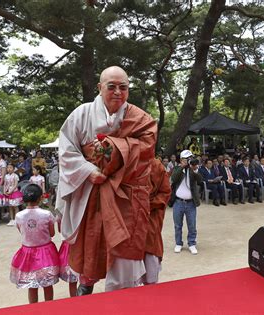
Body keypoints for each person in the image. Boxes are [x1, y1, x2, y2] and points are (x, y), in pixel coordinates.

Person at [56, 66, 157, 295]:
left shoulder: (141, 118)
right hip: (91, 191)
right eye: (111, 86)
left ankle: (122, 294)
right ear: (100, 87)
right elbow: (66, 150)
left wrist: (114, 149)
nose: (118, 92)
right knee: (91, 243)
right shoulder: (81, 114)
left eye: (123, 87)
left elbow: (147, 149)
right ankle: (86, 287)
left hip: (125, 196)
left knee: (124, 247)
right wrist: (88, 169)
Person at [10, 184, 59, 304]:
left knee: (32, 284)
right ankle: (49, 308)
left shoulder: (19, 216)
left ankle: (33, 309)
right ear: (40, 198)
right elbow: (52, 234)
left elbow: (21, 231)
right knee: (47, 283)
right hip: (46, 252)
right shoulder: (46, 214)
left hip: (28, 252)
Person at [143, 158, 171, 285]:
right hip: (127, 223)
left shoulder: (156, 165)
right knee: (125, 281)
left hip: (150, 221)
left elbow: (165, 193)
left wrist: (146, 205)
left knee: (150, 278)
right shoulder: (123, 160)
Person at [170, 150, 202, 255]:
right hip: (178, 202)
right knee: (178, 225)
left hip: (190, 203)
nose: (189, 161)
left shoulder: (193, 170)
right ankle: (178, 243)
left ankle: (192, 244)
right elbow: (173, 179)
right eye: (187, 159)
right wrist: (182, 167)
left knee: (192, 225)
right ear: (181, 160)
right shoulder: (176, 169)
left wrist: (195, 170)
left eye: (190, 158)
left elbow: (200, 180)